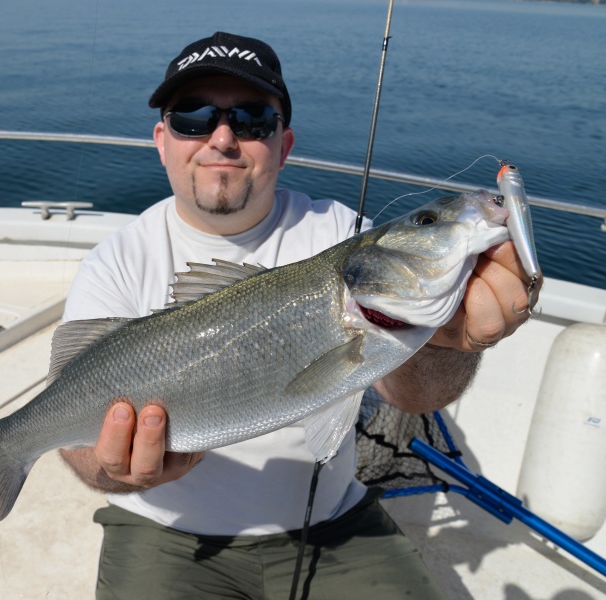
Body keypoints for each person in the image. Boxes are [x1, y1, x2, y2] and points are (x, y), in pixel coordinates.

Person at [59, 32, 536, 599]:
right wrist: (110, 467)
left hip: (336, 524)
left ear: (284, 145)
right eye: (192, 116)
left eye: (253, 118)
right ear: (162, 140)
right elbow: (70, 432)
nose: (222, 137)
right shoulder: (114, 261)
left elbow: (412, 398)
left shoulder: (341, 235)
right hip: (162, 529)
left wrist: (449, 340)